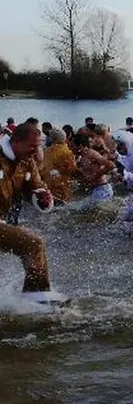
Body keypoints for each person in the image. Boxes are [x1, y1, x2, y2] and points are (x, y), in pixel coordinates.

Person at [0, 124, 56, 293]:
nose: (36, 150)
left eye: (38, 145)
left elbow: (37, 187)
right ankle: (37, 297)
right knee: (32, 243)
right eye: (32, 146)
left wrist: (44, 199)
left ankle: (34, 296)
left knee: (32, 245)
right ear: (16, 142)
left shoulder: (27, 161)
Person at [71, 133, 116, 204]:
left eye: (73, 146)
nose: (71, 148)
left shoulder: (92, 154)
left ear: (80, 146)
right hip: (95, 189)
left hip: (103, 189)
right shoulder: (81, 157)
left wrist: (95, 175)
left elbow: (111, 165)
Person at [41, 128, 78, 203]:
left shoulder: (46, 151)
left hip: (48, 183)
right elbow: (72, 169)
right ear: (64, 137)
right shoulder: (66, 151)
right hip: (61, 184)